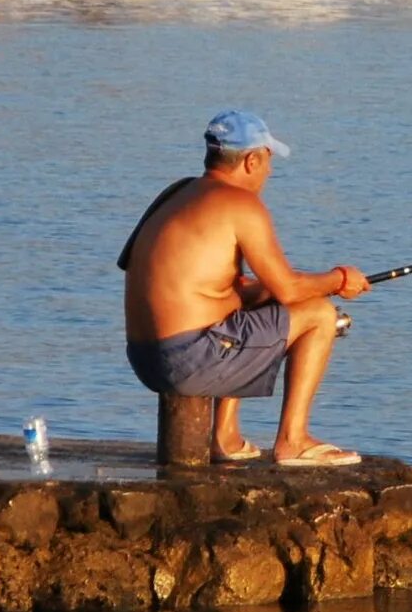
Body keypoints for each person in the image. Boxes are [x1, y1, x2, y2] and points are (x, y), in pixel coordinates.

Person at [120, 110, 370, 467]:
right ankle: (292, 440)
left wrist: (275, 291)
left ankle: (224, 437)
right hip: (188, 360)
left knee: (258, 303)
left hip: (145, 358)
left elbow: (216, 286)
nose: (269, 172)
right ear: (252, 160)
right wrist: (339, 279)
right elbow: (288, 288)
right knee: (319, 314)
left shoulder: (175, 193)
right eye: (268, 162)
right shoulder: (241, 204)